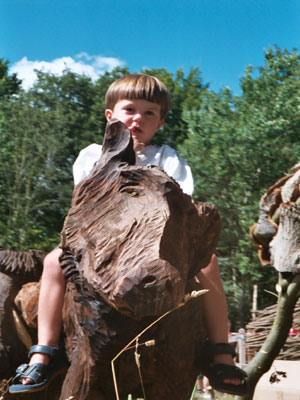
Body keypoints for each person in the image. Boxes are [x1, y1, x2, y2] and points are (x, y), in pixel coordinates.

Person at [9, 74, 247, 395]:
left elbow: (183, 204)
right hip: (101, 241)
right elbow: (85, 204)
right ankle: (44, 350)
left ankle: (219, 349)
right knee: (54, 262)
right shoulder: (92, 156)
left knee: (209, 264)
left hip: (157, 241)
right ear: (110, 116)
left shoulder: (168, 159)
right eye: (130, 109)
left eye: (150, 113)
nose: (138, 118)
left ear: (160, 122)